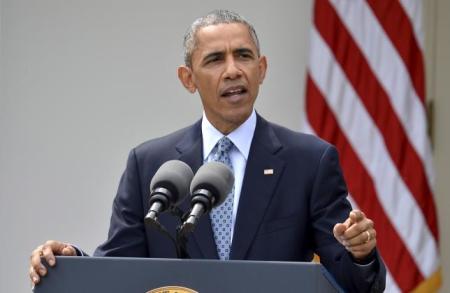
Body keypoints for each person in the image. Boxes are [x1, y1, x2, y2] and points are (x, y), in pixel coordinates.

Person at [29, 9, 386, 292]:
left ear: (261, 70)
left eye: (243, 56)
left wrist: (360, 252)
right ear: (188, 79)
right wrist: (72, 260)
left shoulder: (309, 160)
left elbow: (355, 284)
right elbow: (120, 267)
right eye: (215, 60)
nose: (233, 71)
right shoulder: (150, 164)